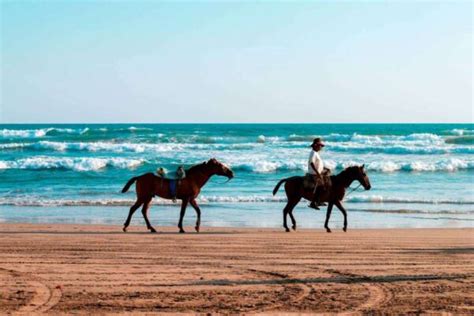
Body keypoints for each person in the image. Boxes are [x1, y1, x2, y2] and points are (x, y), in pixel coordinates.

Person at [307, 137, 327, 209]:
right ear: (315, 145)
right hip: (313, 174)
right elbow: (312, 163)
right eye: (320, 146)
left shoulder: (316, 153)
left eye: (321, 146)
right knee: (321, 186)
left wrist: (324, 168)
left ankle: (319, 200)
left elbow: (317, 163)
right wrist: (317, 173)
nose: (321, 147)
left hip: (317, 173)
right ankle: (314, 202)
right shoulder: (313, 153)